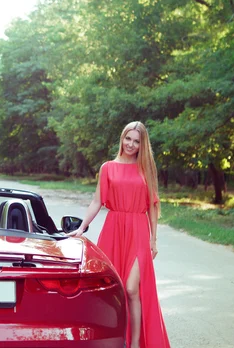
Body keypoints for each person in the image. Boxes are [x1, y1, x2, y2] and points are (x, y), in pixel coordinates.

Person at [68, 121, 170, 348]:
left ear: (142, 145)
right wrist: (81, 227)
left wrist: (153, 239)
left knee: (132, 288)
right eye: (128, 139)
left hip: (138, 230)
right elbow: (97, 200)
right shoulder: (108, 168)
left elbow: (153, 205)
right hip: (114, 228)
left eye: (136, 141)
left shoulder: (146, 169)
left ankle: (134, 344)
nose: (131, 144)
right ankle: (116, 339)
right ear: (122, 138)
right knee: (114, 291)